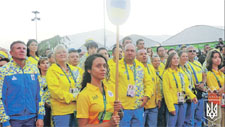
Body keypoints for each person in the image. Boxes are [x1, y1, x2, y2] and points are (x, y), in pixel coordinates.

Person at [0, 41, 44, 127]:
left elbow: (40, 94)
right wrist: (5, 121)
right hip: (12, 119)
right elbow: (1, 97)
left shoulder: (33, 69)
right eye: (18, 48)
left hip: (32, 119)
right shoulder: (4, 71)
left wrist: (40, 117)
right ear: (11, 53)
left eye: (24, 48)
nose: (22, 50)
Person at [110, 43, 153, 127]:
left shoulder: (140, 66)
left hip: (138, 106)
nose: (129, 53)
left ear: (135, 53)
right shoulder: (116, 67)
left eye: (132, 51)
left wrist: (147, 96)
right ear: (123, 52)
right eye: (127, 50)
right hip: (123, 107)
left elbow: (148, 83)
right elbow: (110, 86)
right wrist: (116, 101)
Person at [76, 54, 121, 126]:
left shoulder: (112, 88)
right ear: (89, 70)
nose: (103, 69)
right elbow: (82, 125)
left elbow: (118, 117)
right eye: (98, 66)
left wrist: (119, 110)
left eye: (104, 66)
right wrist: (108, 124)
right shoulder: (84, 95)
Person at [46, 44, 83, 127]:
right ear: (55, 56)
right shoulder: (52, 70)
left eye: (64, 52)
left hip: (77, 109)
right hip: (61, 111)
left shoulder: (75, 70)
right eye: (59, 53)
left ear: (67, 55)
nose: (62, 54)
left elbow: (82, 85)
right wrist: (73, 97)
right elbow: (55, 92)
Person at [163, 52, 197, 127]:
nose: (176, 60)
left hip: (182, 102)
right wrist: (171, 107)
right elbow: (166, 92)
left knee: (180, 124)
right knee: (171, 124)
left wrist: (192, 96)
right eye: (174, 58)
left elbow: (186, 87)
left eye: (177, 58)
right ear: (170, 60)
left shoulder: (181, 72)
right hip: (173, 104)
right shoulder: (166, 73)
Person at [136, 49, 162, 127]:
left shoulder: (150, 67)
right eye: (141, 54)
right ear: (136, 57)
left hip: (153, 104)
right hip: (142, 105)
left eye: (145, 53)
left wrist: (158, 98)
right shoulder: (136, 68)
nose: (144, 55)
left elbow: (156, 84)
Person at [186, 46, 206, 126]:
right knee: (190, 117)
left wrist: (203, 83)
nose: (193, 52)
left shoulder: (198, 63)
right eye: (190, 51)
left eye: (194, 51)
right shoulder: (185, 64)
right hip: (191, 92)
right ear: (187, 53)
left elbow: (204, 74)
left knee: (199, 116)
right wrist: (195, 85)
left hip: (200, 92)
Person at [206, 49, 224, 127]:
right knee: (215, 125)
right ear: (211, 59)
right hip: (214, 103)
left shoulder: (221, 73)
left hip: (222, 102)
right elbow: (217, 92)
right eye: (215, 57)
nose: (218, 59)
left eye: (219, 57)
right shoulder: (209, 74)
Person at [178, 51, 197, 127]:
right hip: (181, 95)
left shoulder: (187, 68)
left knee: (189, 118)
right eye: (183, 56)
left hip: (190, 94)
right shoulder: (177, 68)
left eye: (186, 56)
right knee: (181, 118)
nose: (185, 58)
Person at [38, 57, 51, 127]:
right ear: (39, 66)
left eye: (47, 63)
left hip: (54, 104)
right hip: (43, 105)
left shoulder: (53, 77)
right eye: (43, 63)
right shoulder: (38, 78)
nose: (45, 65)